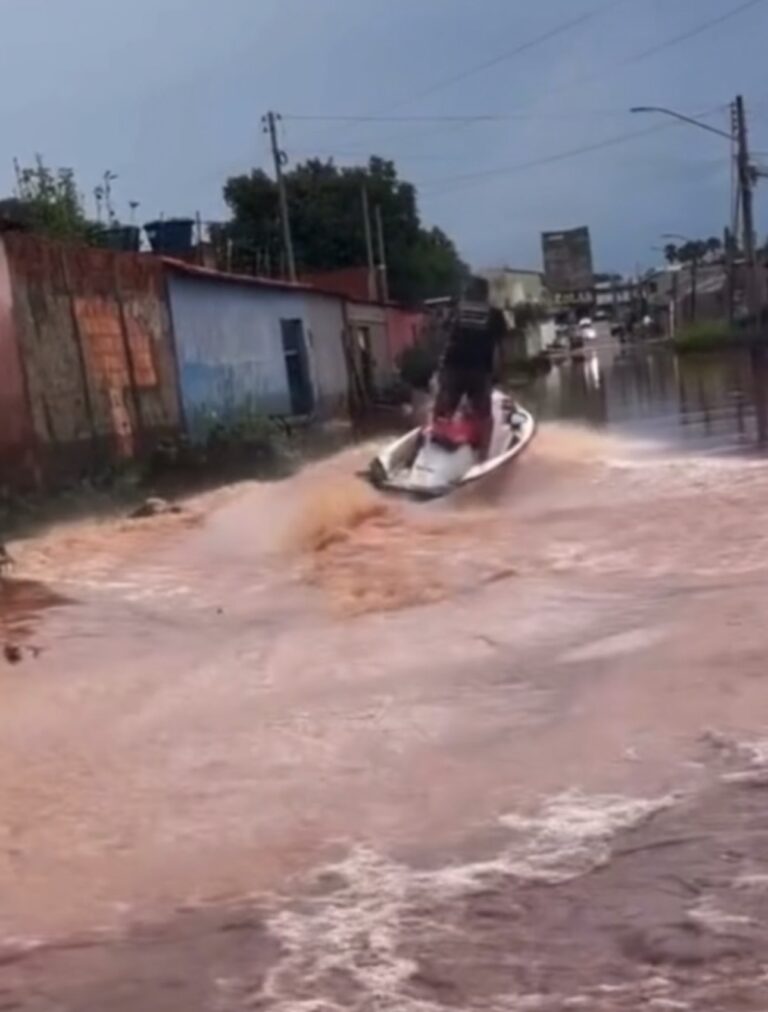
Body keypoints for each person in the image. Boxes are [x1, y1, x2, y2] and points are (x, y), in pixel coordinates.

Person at [433, 277, 506, 456]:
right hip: (480, 370)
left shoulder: (456, 311)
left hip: (453, 367)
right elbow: (501, 347)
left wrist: (439, 366)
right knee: (484, 416)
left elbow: (442, 336)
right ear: (485, 294)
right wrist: (498, 372)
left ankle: (435, 447)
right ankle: (483, 456)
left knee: (443, 410)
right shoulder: (495, 314)